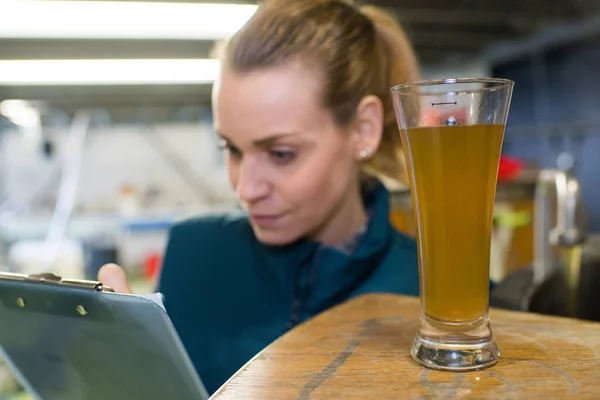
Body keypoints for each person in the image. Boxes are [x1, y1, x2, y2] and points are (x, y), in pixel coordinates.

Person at [99, 0, 420, 394]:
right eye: (232, 149)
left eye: (281, 154)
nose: (246, 189)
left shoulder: (431, 295)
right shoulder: (193, 255)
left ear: (363, 130)